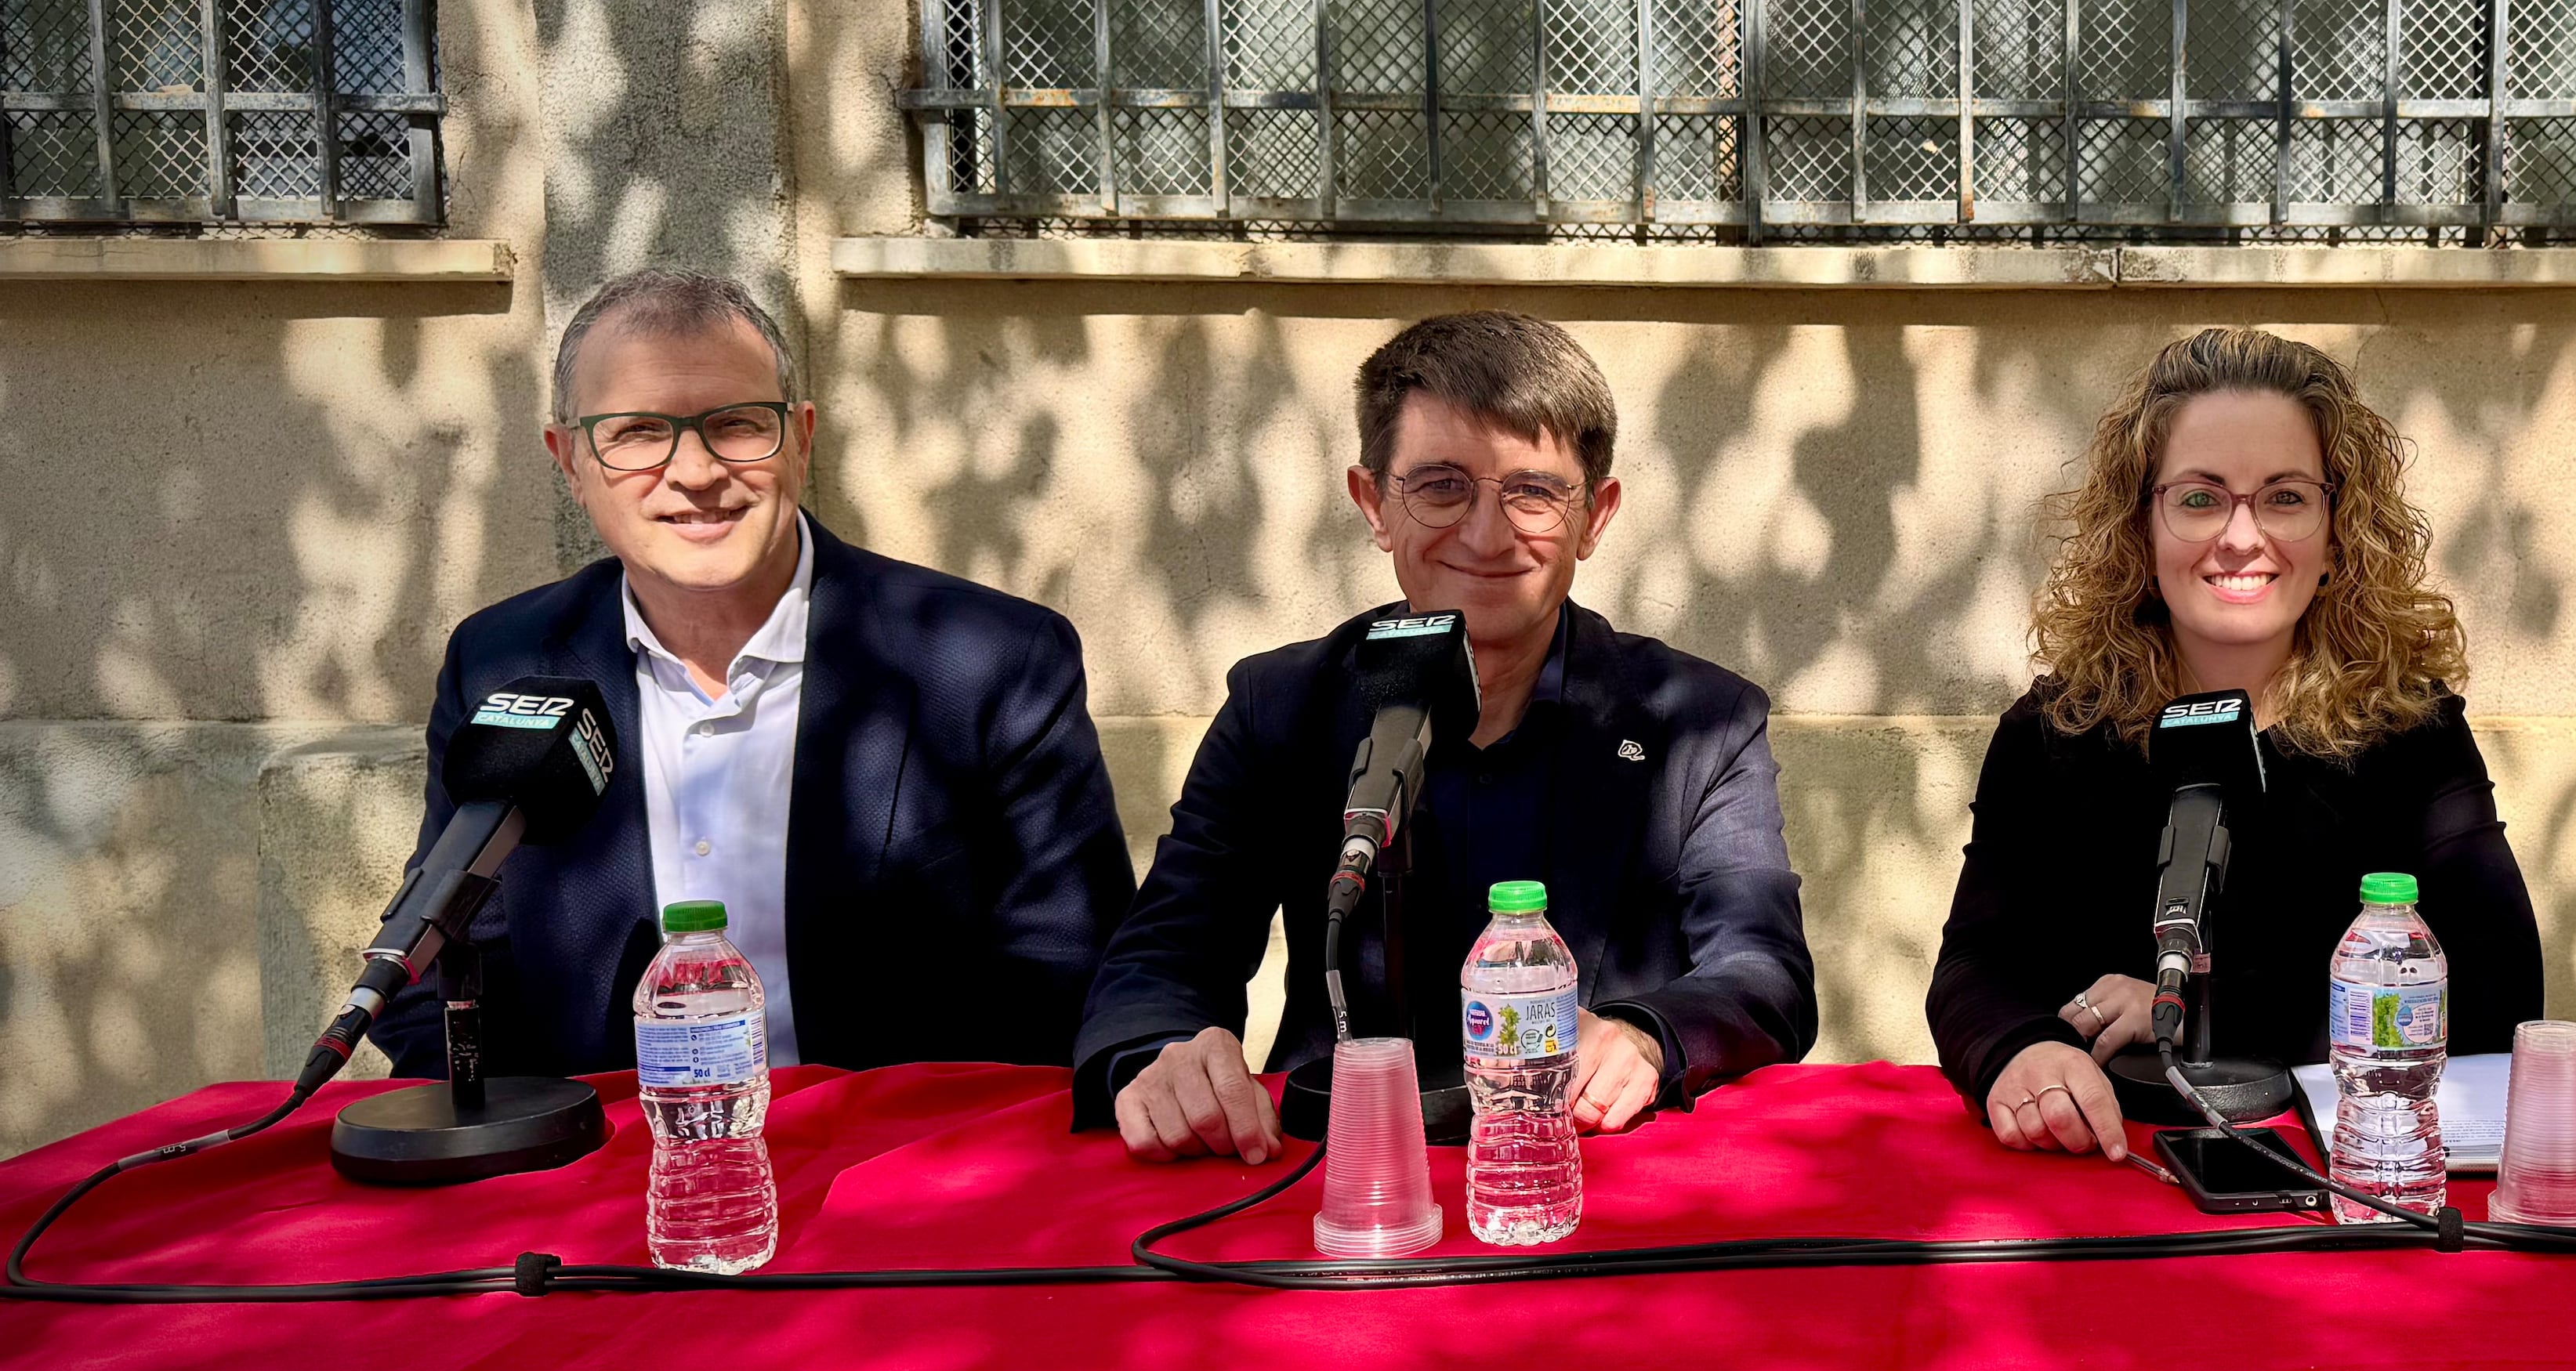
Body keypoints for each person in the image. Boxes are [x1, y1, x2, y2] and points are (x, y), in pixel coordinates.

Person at [1080, 311, 1817, 1162]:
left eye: (1532, 491)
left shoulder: (1701, 719)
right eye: (1440, 485)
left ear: (1595, 516)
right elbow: (1159, 963)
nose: (1485, 533)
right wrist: (1162, 1055)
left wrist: (1645, 1033)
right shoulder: (1277, 705)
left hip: (1591, 1171)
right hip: (1330, 1173)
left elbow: (1765, 976)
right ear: (1372, 503)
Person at [375, 269, 1134, 1077]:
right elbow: (439, 974)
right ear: (570, 459)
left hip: (893, 1170)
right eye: (637, 431)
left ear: (801, 438)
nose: (696, 471)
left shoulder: (992, 661)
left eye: (735, 424)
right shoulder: (503, 663)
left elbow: (1076, 976)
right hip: (602, 1171)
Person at [1928, 328, 2546, 1160]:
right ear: (2140, 527)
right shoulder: (2052, 733)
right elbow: (1976, 967)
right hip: (2111, 1166)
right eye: (2199, 497)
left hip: (2338, 1182)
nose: (2241, 535)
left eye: (2284, 497)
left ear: (2337, 532)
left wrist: (2185, 1006)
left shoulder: (2411, 734)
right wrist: (2018, 1051)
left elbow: (2498, 989)